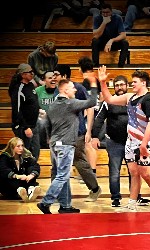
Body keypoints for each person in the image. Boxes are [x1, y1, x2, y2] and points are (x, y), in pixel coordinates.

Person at [98, 65, 150, 212]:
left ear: (143, 83)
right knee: (134, 173)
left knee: (146, 173)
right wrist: (103, 82)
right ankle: (131, 203)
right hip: (130, 141)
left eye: (134, 82)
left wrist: (144, 144)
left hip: (145, 141)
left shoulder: (149, 100)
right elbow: (109, 99)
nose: (132, 84)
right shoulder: (130, 97)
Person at [37, 78, 98, 214]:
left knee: (61, 174)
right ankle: (46, 202)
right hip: (65, 144)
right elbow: (92, 102)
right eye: (72, 87)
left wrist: (50, 138)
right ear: (65, 90)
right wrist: (94, 85)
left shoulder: (52, 105)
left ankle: (65, 205)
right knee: (63, 175)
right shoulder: (70, 103)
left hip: (54, 143)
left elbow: (47, 123)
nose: (75, 89)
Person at [91, 75, 150, 207]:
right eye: (116, 85)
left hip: (133, 142)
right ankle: (115, 198)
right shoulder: (108, 102)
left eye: (121, 85)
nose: (119, 88)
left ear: (127, 86)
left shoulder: (134, 100)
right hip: (114, 142)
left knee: (134, 172)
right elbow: (99, 119)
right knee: (114, 171)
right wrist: (94, 136)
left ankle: (136, 197)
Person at [52, 64, 102, 201]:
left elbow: (90, 106)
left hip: (77, 131)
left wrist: (88, 130)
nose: (54, 77)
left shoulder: (77, 88)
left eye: (56, 74)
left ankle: (94, 187)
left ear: (64, 76)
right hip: (60, 134)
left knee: (79, 161)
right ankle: (57, 194)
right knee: (57, 164)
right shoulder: (57, 91)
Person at [8, 63, 40, 161]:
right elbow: (16, 111)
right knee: (24, 154)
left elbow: (32, 103)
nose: (32, 74)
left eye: (32, 72)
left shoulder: (30, 85)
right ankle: (22, 174)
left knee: (35, 152)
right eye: (30, 72)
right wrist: (26, 127)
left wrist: (39, 110)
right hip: (23, 127)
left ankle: (32, 174)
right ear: (23, 74)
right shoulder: (18, 89)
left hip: (34, 125)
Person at [0, 137, 41, 202]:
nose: (21, 148)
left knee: (30, 168)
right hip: (9, 187)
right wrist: (17, 176)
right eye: (18, 146)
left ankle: (31, 190)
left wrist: (32, 175)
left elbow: (35, 165)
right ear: (12, 147)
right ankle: (21, 190)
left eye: (22, 145)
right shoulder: (5, 157)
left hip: (23, 183)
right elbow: (3, 170)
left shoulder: (26, 155)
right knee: (10, 178)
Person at [92, 3, 129, 68]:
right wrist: (104, 23)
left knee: (125, 43)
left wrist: (112, 40)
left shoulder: (118, 18)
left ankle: (121, 66)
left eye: (107, 12)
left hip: (113, 43)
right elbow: (96, 36)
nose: (105, 14)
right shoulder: (97, 18)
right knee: (95, 41)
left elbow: (123, 35)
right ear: (101, 12)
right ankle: (95, 65)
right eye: (103, 12)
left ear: (111, 12)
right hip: (102, 43)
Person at [35, 71, 57, 149]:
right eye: (50, 78)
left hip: (57, 116)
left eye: (54, 78)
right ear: (44, 81)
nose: (53, 80)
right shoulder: (38, 90)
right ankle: (43, 146)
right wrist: (39, 110)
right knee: (41, 122)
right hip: (43, 115)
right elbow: (32, 105)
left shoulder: (60, 89)